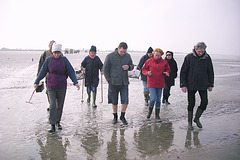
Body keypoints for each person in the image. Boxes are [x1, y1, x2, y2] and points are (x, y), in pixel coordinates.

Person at [34, 43, 80, 132]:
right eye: (55, 53)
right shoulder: (48, 60)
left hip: (62, 86)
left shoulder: (64, 60)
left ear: (60, 52)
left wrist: (75, 82)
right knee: (52, 105)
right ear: (52, 52)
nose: (56, 54)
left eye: (58, 53)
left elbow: (71, 71)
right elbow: (42, 72)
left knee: (60, 105)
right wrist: (37, 81)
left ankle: (58, 122)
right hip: (51, 85)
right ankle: (52, 125)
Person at [180, 42, 214, 130]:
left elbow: (210, 71)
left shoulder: (207, 57)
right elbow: (183, 71)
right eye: (199, 51)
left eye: (202, 51)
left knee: (204, 102)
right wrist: (183, 85)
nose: (200, 53)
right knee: (191, 103)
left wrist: (211, 84)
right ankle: (189, 123)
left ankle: (197, 118)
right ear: (195, 49)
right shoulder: (189, 57)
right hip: (191, 84)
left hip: (203, 84)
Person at [103, 42, 134, 125]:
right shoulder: (110, 56)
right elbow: (105, 69)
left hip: (124, 82)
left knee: (125, 100)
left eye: (125, 52)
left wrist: (128, 67)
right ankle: (115, 117)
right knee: (114, 101)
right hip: (113, 83)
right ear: (118, 48)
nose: (123, 53)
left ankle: (122, 116)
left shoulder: (127, 56)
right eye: (122, 52)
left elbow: (132, 66)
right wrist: (109, 80)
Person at [142, 48, 171, 120]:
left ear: (161, 55)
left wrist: (167, 73)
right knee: (153, 99)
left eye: (159, 55)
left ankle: (157, 115)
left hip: (160, 83)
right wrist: (147, 73)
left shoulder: (164, 62)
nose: (157, 56)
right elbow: (143, 69)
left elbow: (168, 69)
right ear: (153, 54)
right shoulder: (149, 61)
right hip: (151, 83)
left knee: (158, 100)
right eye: (156, 55)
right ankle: (149, 112)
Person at [37, 40, 55, 111]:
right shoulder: (45, 54)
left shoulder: (59, 54)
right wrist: (38, 78)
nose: (52, 46)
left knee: (56, 92)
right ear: (49, 46)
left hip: (57, 78)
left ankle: (54, 105)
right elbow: (40, 66)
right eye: (51, 45)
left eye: (53, 45)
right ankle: (51, 105)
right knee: (48, 92)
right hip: (48, 77)